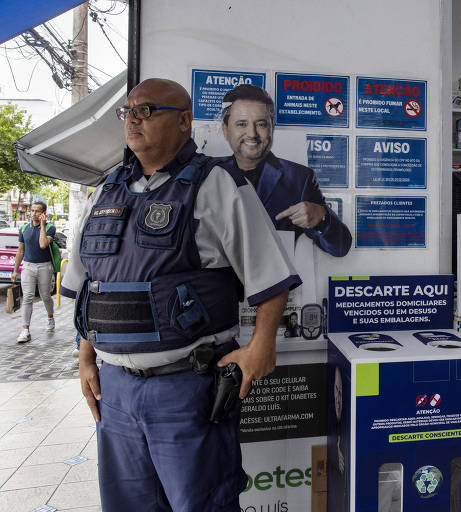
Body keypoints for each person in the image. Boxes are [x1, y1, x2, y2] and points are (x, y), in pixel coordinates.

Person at [61, 78, 301, 512]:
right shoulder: (105, 191)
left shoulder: (217, 185)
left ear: (185, 122)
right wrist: (85, 359)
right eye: (128, 111)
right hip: (114, 394)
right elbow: (88, 287)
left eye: (147, 110)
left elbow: (272, 278)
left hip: (186, 389)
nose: (133, 120)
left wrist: (261, 346)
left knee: (202, 505)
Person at [219, 84, 351, 257]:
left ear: (272, 128)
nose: (252, 133)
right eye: (241, 124)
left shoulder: (300, 178)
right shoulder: (208, 174)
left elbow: (340, 248)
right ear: (225, 131)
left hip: (276, 283)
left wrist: (321, 218)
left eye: (261, 124)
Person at [12, 201, 56, 343]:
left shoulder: (50, 228)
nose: (34, 214)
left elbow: (43, 244)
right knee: (28, 297)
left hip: (44, 266)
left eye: (37, 211)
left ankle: (50, 317)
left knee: (45, 296)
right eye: (32, 210)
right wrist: (14, 270)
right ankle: (25, 330)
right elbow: (20, 251)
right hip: (28, 266)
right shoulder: (24, 228)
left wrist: (42, 225)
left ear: (44, 213)